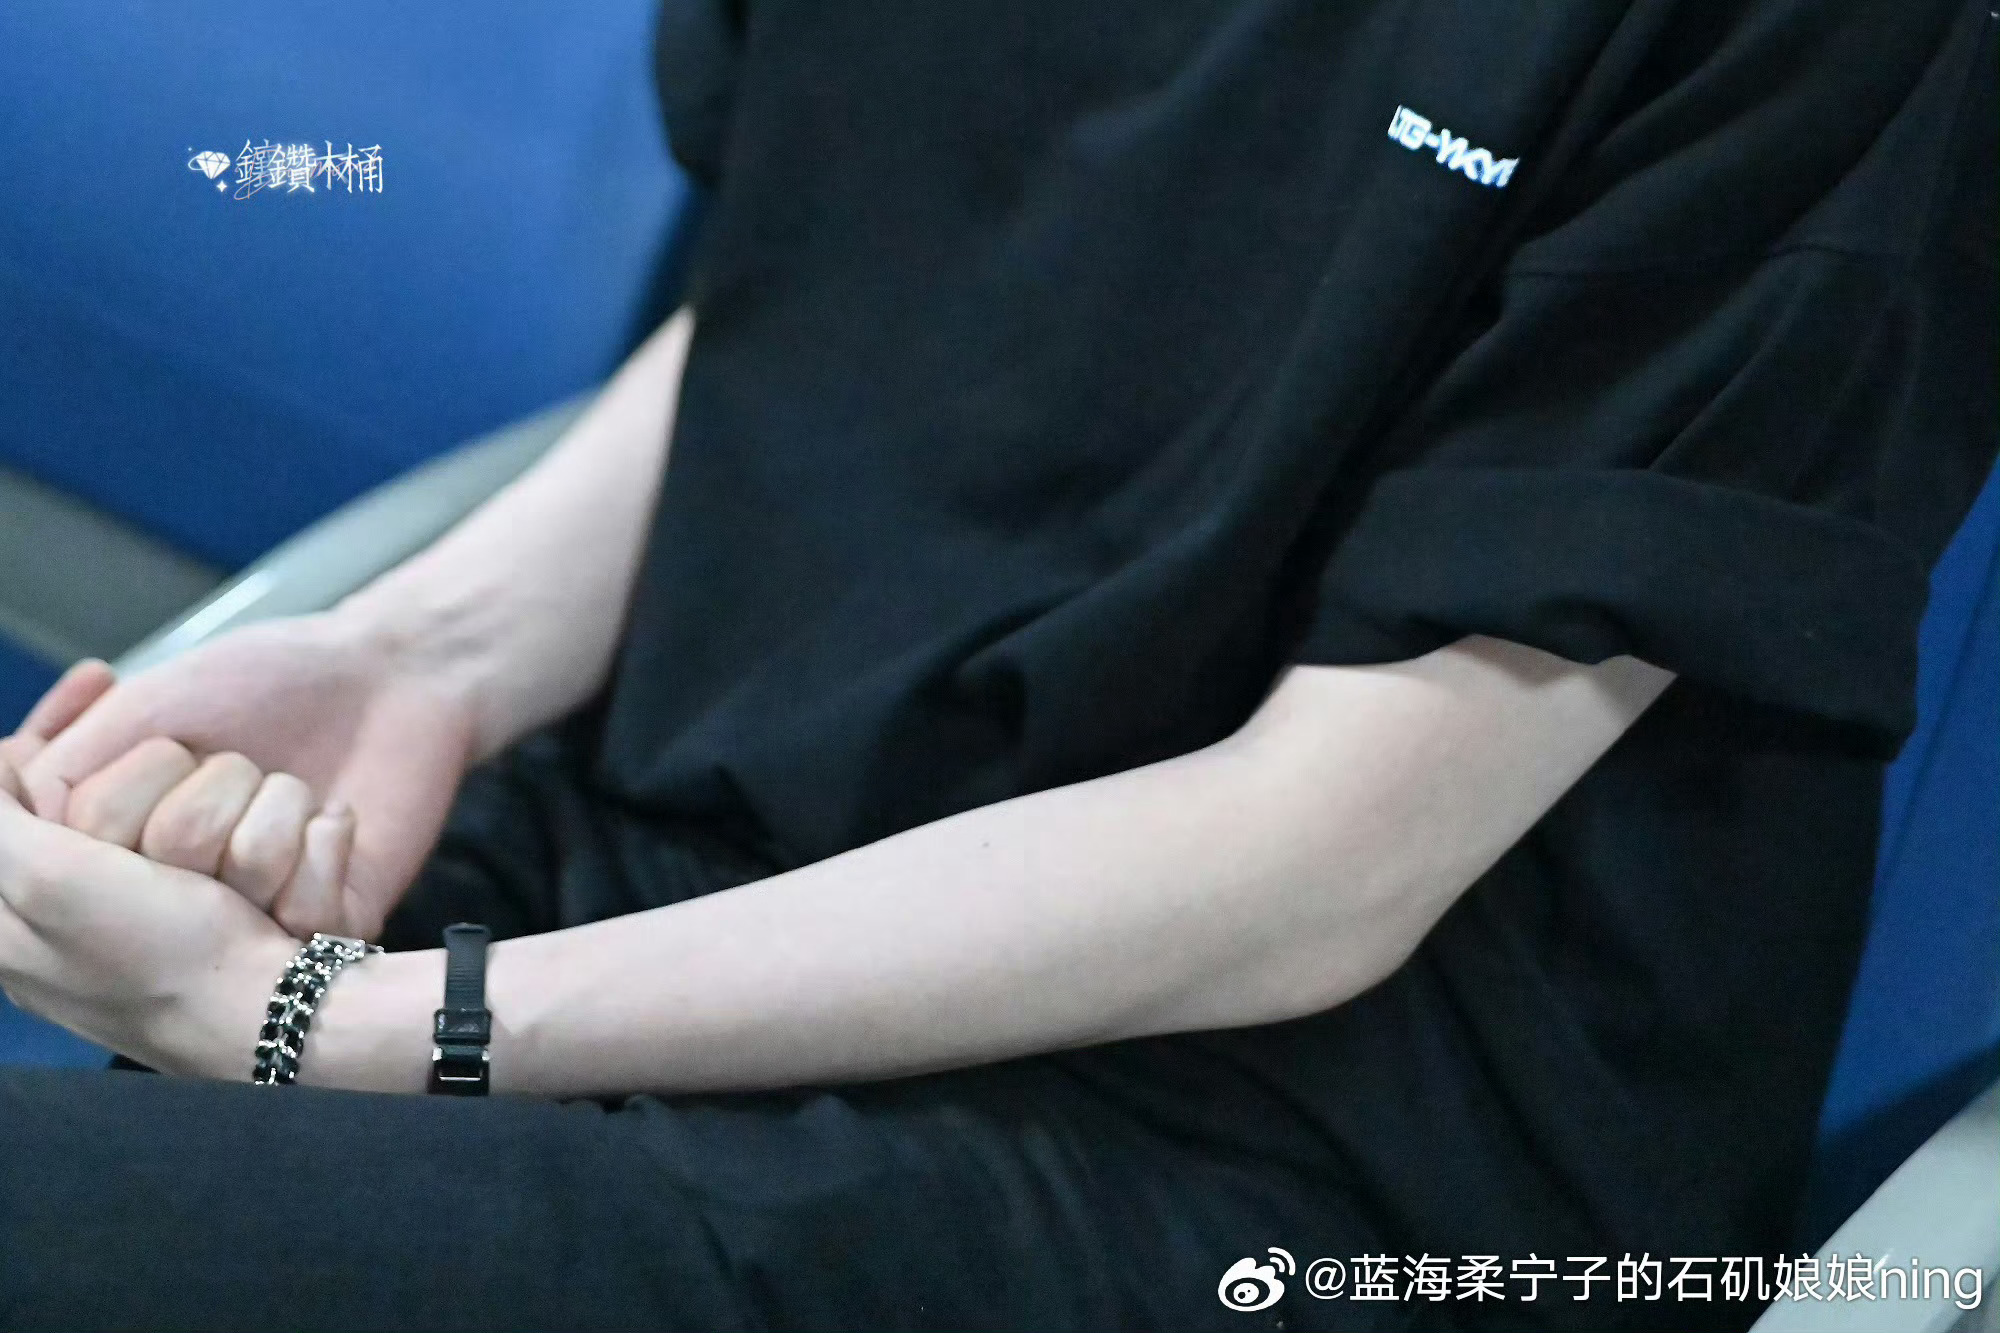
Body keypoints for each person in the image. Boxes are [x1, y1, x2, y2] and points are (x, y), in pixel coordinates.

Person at [0, 0, 1993, 1328]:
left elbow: (1320, 869)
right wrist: (419, 656)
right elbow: (834, 276)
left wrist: (357, 1025)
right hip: (698, 862)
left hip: (1274, 1161)